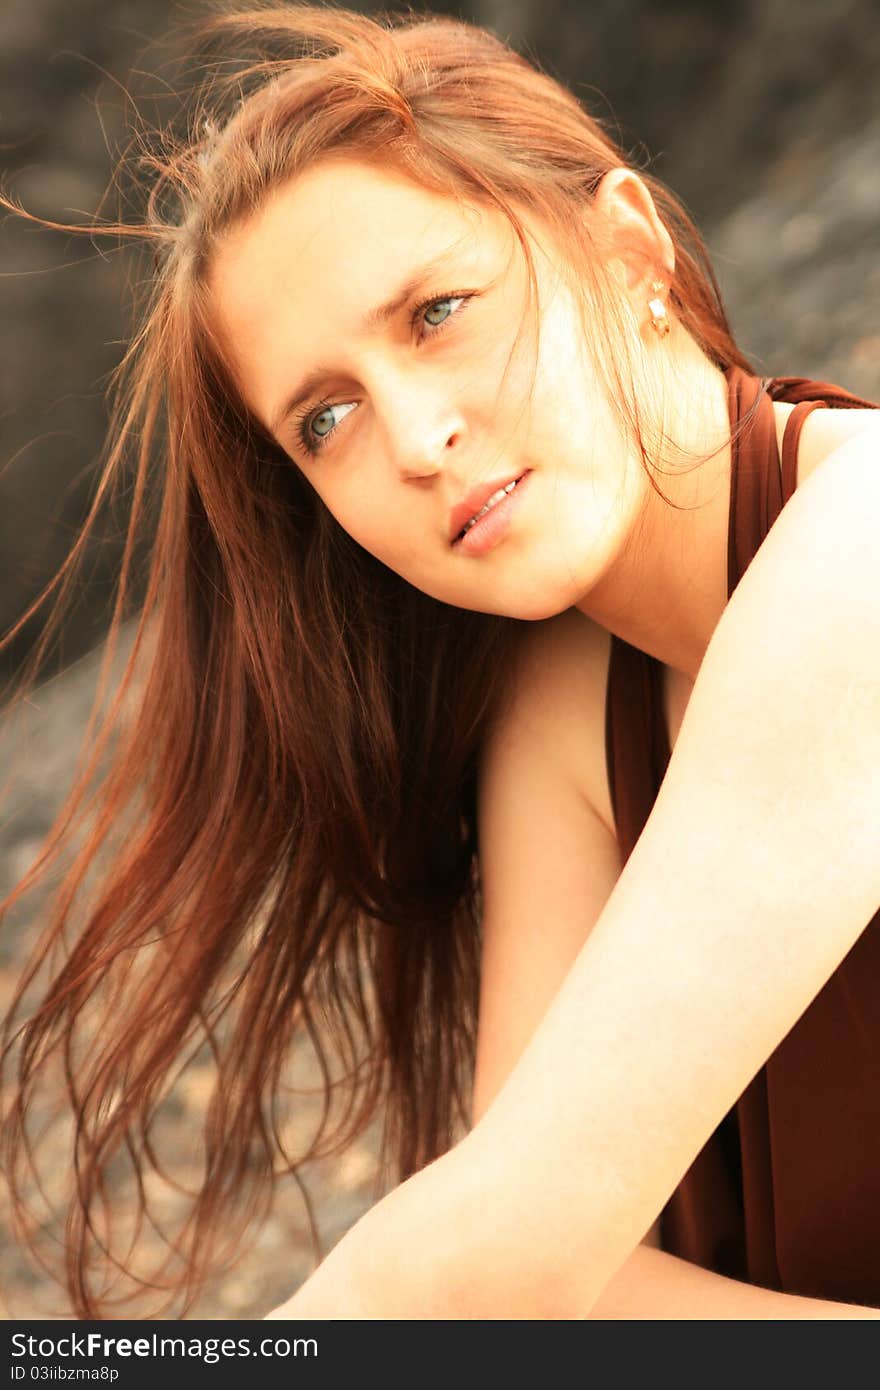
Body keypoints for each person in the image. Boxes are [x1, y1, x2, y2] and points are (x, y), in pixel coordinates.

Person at [2, 2, 878, 1320]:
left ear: (630, 248)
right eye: (327, 417)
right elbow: (561, 1285)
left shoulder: (858, 549)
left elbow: (499, 1264)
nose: (411, 439)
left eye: (438, 311)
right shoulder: (571, 696)